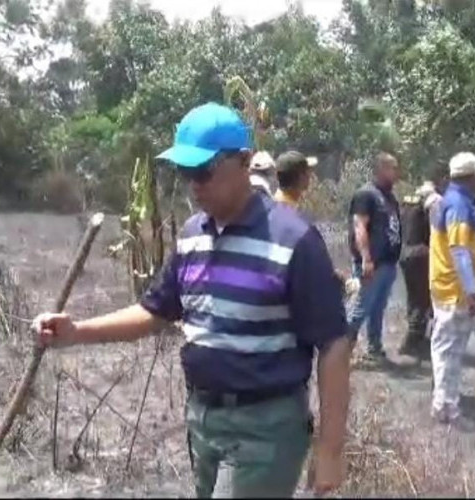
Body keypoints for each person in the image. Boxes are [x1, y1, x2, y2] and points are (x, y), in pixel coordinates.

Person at [31, 103, 350, 498]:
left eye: (204, 172)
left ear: (245, 162)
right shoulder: (192, 234)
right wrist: (76, 331)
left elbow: (334, 343)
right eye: (186, 174)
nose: (194, 185)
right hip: (203, 421)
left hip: (264, 426)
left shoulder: (293, 239)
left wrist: (331, 448)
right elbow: (155, 310)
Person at [429, 152, 475, 424]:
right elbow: (459, 250)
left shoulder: (457, 200)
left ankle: (447, 402)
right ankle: (444, 407)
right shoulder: (458, 205)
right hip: (454, 291)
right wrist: (471, 291)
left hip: (453, 288)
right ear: (473, 176)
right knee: (448, 350)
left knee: (451, 349)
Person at [346, 152, 402, 360]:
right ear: (381, 170)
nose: (397, 173)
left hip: (388, 263)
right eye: (392, 168)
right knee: (361, 307)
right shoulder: (365, 195)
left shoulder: (389, 197)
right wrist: (366, 259)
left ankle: (374, 348)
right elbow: (360, 227)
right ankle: (341, 351)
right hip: (372, 263)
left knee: (378, 308)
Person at [398, 163, 449, 360]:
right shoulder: (434, 200)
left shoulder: (410, 197)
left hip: (406, 252)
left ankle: (415, 339)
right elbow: (438, 230)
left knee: (413, 298)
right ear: (441, 178)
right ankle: (413, 342)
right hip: (424, 254)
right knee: (424, 299)